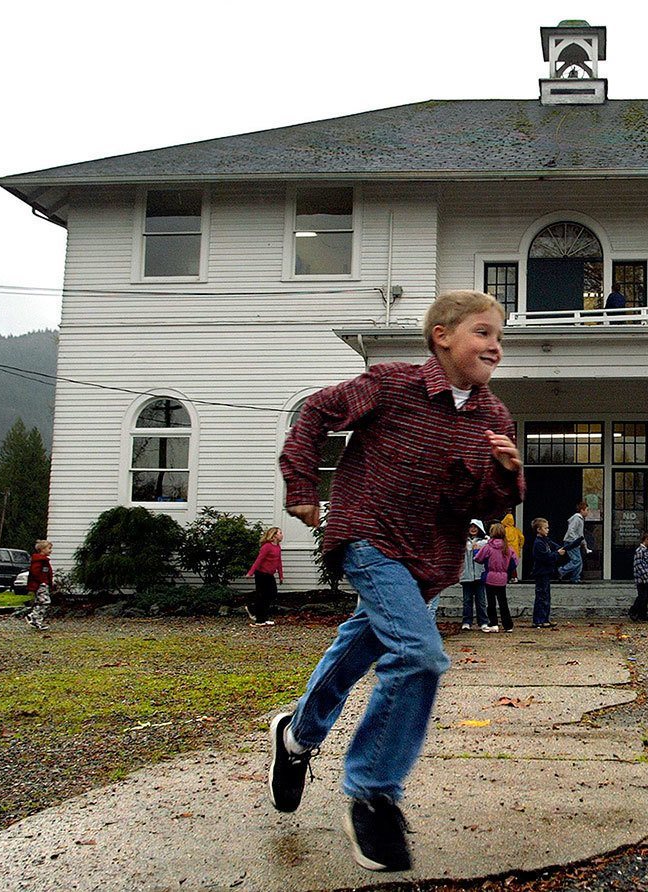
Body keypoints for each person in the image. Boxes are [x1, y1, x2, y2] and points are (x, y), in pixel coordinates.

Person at [270, 290, 524, 873]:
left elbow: (481, 502)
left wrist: (508, 476)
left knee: (362, 642)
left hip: (427, 559)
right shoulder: (388, 384)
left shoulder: (494, 419)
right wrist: (302, 487)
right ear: (442, 336)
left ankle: (297, 735)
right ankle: (373, 793)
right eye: (484, 333)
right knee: (419, 654)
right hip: (368, 537)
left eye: (501, 338)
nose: (496, 347)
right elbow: (314, 415)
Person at [475, 522, 517, 632]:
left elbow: (478, 558)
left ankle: (494, 623)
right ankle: (508, 625)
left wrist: (476, 552)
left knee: (491, 602)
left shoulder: (488, 547)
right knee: (503, 602)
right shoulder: (508, 548)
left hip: (490, 577)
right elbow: (515, 562)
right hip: (502, 577)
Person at [246, 527, 283, 626]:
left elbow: (278, 562)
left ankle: (263, 616)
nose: (282, 535)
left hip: (270, 574)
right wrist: (250, 572)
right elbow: (259, 560)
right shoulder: (266, 547)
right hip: (261, 574)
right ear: (274, 535)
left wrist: (281, 576)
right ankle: (259, 619)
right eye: (280, 533)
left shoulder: (278, 547)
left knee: (272, 594)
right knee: (262, 596)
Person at [529, 517, 561, 629]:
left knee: (546, 596)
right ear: (538, 529)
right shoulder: (538, 543)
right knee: (541, 596)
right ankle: (538, 620)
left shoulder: (545, 541)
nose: (548, 530)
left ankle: (545, 618)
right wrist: (557, 554)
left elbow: (554, 546)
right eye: (546, 528)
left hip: (545, 572)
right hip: (541, 572)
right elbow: (546, 557)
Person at [459, 519, 489, 630]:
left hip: (479, 574)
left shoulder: (485, 542)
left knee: (481, 600)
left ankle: (483, 621)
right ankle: (467, 621)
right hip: (466, 575)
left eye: (475, 527)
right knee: (467, 600)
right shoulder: (462, 541)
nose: (473, 529)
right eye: (470, 527)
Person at [26, 539, 54, 632]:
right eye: (49, 548)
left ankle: (37, 621)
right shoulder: (39, 561)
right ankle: (33, 616)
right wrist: (41, 581)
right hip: (40, 585)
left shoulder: (44, 561)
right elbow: (35, 572)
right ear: (42, 549)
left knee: (41, 602)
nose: (51, 550)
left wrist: (49, 582)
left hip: (43, 584)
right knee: (45, 602)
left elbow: (48, 573)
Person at [559, 501, 590, 583]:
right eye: (587, 510)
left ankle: (575, 578)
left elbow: (580, 533)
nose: (587, 512)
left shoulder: (580, 519)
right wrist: (576, 540)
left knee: (578, 561)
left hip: (573, 542)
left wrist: (584, 543)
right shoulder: (577, 518)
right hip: (571, 542)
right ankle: (562, 571)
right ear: (582, 510)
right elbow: (571, 530)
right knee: (576, 560)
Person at [629, 529, 648, 622]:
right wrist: (645, 576)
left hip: (646, 578)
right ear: (646, 540)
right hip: (641, 579)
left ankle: (643, 613)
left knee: (646, 596)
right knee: (642, 596)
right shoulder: (640, 551)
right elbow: (639, 565)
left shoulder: (646, 550)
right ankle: (634, 611)